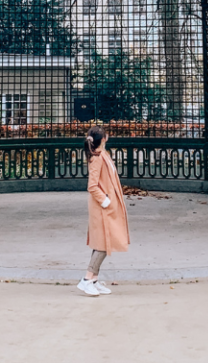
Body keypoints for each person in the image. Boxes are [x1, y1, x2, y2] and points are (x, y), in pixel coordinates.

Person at [77, 125, 130, 297]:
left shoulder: (101, 155)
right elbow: (92, 186)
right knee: (102, 244)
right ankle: (86, 279)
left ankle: (94, 279)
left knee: (102, 243)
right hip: (102, 207)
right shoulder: (98, 158)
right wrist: (106, 201)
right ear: (105, 139)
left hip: (105, 206)